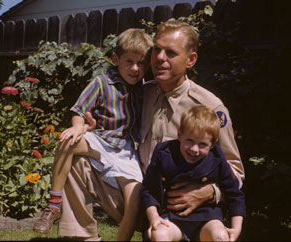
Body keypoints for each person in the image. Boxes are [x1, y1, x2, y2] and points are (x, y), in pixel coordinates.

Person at [58, 19, 245, 241]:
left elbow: (236, 170)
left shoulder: (209, 107)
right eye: (156, 49)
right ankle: (83, 238)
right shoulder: (139, 93)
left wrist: (209, 192)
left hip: (185, 210)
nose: (159, 58)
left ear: (191, 60)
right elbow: (115, 127)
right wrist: (91, 128)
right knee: (76, 157)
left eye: (171, 53)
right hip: (139, 196)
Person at [33, 28, 153, 241]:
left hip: (127, 150)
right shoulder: (101, 83)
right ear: (116, 59)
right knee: (68, 141)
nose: (135, 69)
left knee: (134, 200)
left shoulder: (144, 88)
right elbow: (79, 111)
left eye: (141, 63)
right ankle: (53, 205)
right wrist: (79, 127)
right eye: (129, 62)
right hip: (101, 140)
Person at [141, 105, 246, 241]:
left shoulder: (217, 159)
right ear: (179, 134)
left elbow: (235, 195)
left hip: (207, 219)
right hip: (173, 218)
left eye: (202, 144)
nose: (194, 149)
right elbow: (149, 190)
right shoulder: (164, 154)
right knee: (159, 234)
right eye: (189, 141)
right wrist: (154, 217)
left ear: (213, 143)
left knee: (220, 236)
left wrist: (236, 228)